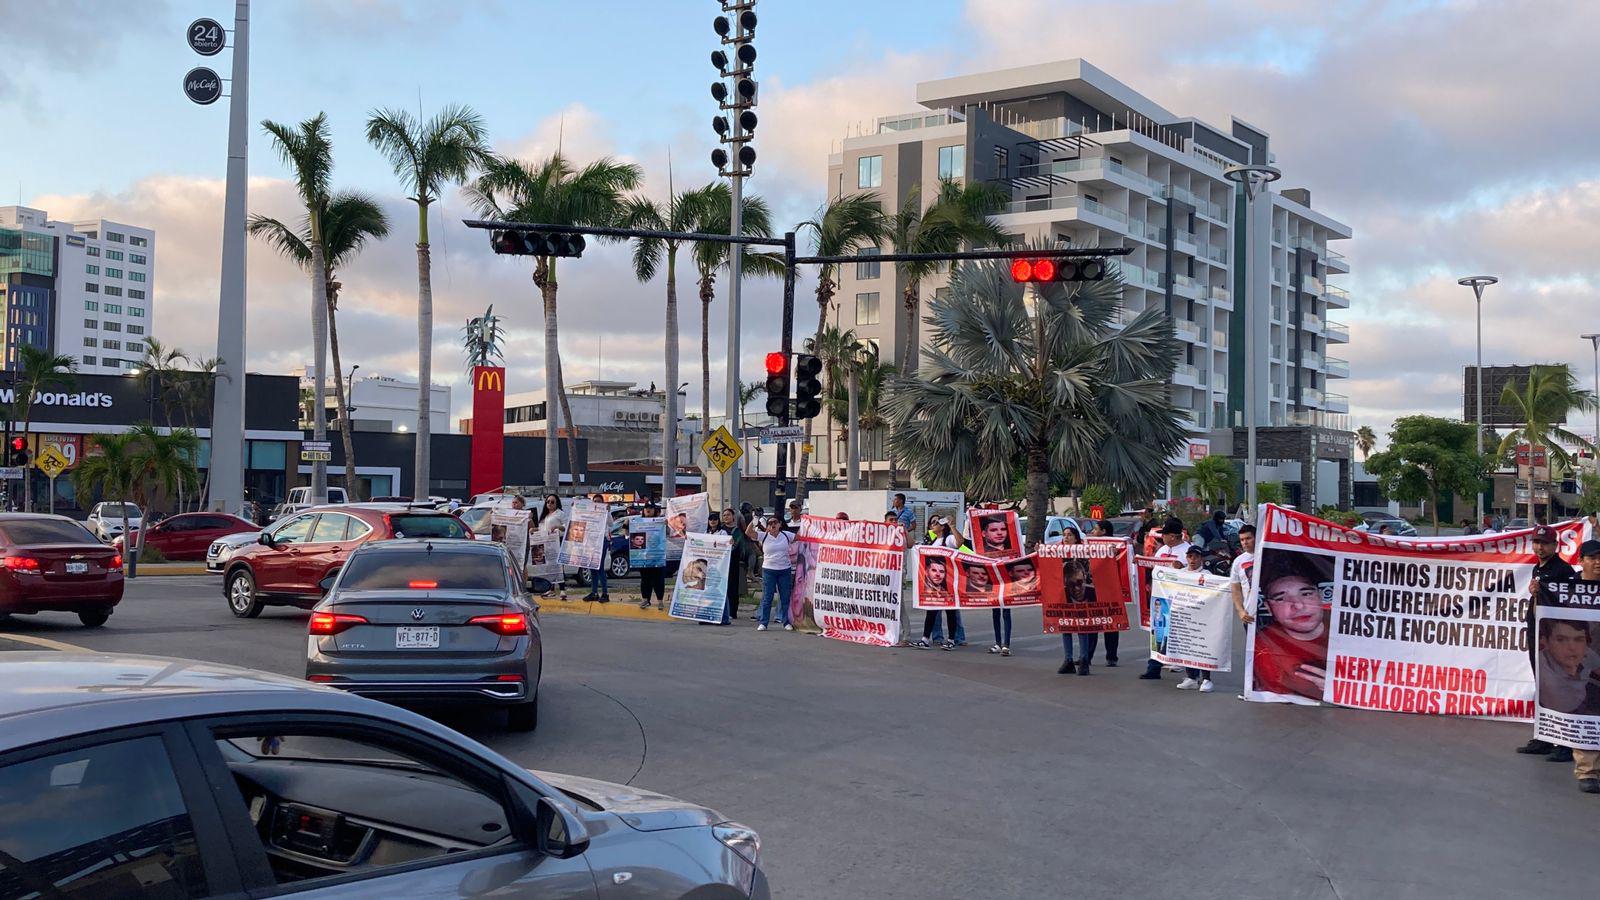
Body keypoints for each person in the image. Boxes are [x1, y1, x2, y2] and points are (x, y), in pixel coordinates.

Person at [1518, 524, 1577, 760]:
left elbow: (1570, 603)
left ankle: (1565, 743)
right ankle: (1544, 737)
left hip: (1555, 638)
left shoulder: (1563, 570)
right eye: (1536, 543)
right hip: (1537, 634)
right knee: (1543, 686)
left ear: (1555, 545)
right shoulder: (1537, 568)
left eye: (1544, 543)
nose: (1539, 547)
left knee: (1560, 688)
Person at [1251, 554, 1332, 700]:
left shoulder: (1350, 630)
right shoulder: (1264, 646)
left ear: (1320, 596)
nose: (1298, 606)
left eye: (1306, 594)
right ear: (1268, 608)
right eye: (1281, 599)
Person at [1140, 517, 1192, 679]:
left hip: (1179, 599)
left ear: (1172, 536)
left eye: (1165, 534)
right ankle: (1154, 667)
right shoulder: (1162, 550)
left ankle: (1188, 668)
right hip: (1161, 598)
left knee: (1180, 634)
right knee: (1159, 633)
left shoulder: (1188, 551)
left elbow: (1193, 573)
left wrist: (1181, 568)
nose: (1162, 537)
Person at [1174, 545, 1215, 693]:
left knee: (1202, 648)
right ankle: (1191, 677)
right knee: (1188, 646)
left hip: (1202, 617)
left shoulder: (1207, 574)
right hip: (1185, 617)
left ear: (1201, 558)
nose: (1192, 559)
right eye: (1190, 556)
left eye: (1196, 557)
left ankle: (1206, 679)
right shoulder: (1181, 573)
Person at [746, 515, 796, 631]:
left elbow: (802, 537)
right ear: (767, 526)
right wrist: (753, 522)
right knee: (767, 597)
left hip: (784, 570)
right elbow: (748, 532)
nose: (773, 525)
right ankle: (764, 622)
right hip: (769, 570)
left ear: (780, 524)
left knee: (785, 597)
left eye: (775, 522)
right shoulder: (763, 536)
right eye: (770, 523)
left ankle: (786, 622)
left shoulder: (786, 535)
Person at [926, 519, 967, 647]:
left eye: (935, 523)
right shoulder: (932, 542)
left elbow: (960, 542)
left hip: (948, 581)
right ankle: (929, 638)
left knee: (951, 611)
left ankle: (953, 639)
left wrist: (952, 526)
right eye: (932, 523)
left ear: (942, 527)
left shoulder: (948, 539)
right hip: (934, 583)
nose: (932, 525)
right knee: (932, 611)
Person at [912, 556, 959, 650]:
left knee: (951, 613)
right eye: (934, 570)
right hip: (934, 594)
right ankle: (925, 640)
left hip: (950, 590)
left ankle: (951, 640)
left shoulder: (946, 590)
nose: (938, 574)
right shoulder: (929, 589)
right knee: (931, 612)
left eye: (942, 572)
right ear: (927, 571)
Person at [635, 502, 667, 611]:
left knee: (658, 579)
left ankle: (660, 601)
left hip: (658, 555)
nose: (648, 510)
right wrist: (626, 524)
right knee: (645, 579)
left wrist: (666, 525)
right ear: (643, 510)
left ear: (655, 510)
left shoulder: (660, 522)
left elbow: (668, 533)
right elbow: (627, 535)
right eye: (646, 508)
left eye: (651, 508)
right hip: (643, 557)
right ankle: (645, 599)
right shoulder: (638, 522)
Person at [535, 494, 568, 601]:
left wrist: (558, 527)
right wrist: (534, 530)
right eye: (548, 501)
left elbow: (567, 527)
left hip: (556, 541)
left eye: (552, 502)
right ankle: (551, 589)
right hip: (545, 542)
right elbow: (541, 529)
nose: (549, 504)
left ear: (557, 503)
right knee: (549, 566)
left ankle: (562, 589)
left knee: (558, 565)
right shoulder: (544, 516)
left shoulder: (560, 514)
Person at [581, 492, 611, 603]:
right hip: (591, 541)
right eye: (595, 501)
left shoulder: (605, 512)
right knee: (592, 567)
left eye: (599, 502)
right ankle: (594, 592)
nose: (597, 503)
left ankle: (605, 593)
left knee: (600, 567)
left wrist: (607, 512)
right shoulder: (590, 513)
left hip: (601, 541)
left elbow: (611, 524)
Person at [723, 507, 748, 622]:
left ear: (733, 517)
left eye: (728, 515)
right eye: (724, 515)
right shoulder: (720, 529)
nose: (726, 517)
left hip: (733, 562)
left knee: (733, 587)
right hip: (721, 562)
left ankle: (732, 612)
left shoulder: (737, 531)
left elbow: (737, 546)